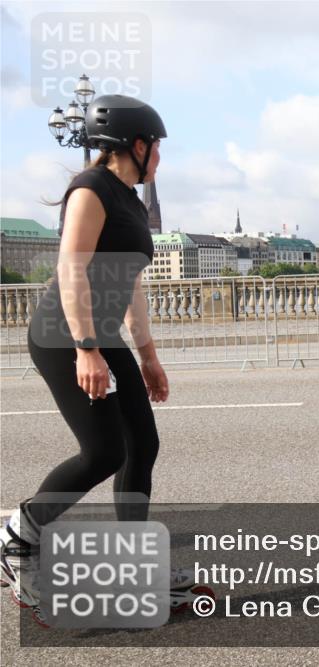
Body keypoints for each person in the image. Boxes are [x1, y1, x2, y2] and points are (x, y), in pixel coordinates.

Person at [1, 95, 173, 619]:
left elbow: (131, 284)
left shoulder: (132, 201)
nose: (161, 158)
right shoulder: (91, 190)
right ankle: (17, 537)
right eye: (158, 147)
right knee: (103, 452)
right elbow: (72, 270)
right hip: (63, 335)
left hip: (102, 336)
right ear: (135, 145)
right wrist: (86, 350)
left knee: (142, 444)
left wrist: (147, 356)